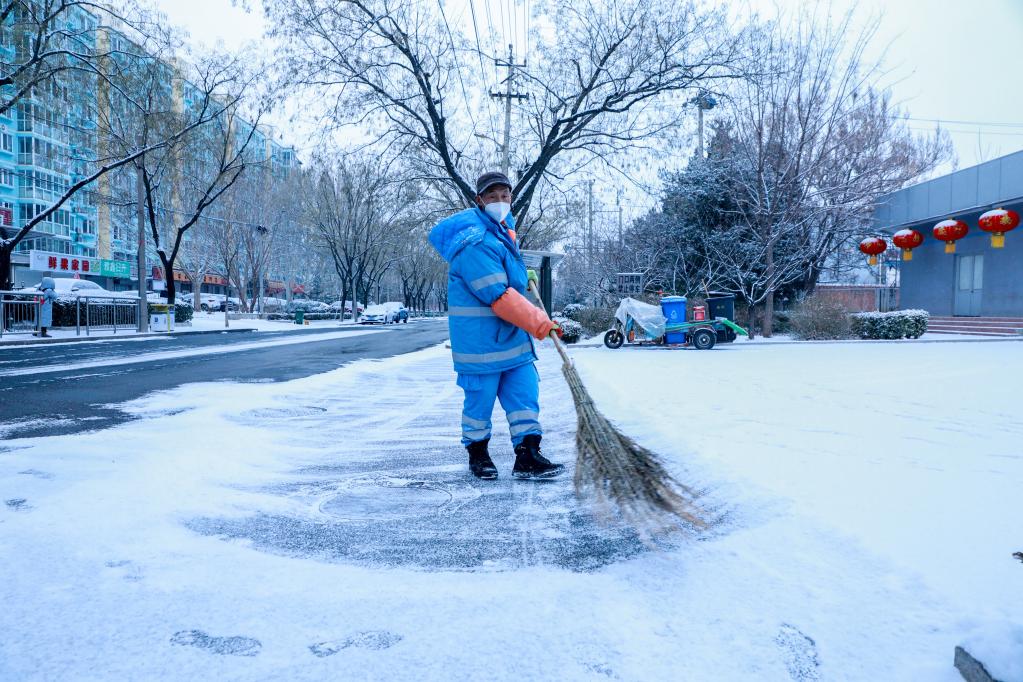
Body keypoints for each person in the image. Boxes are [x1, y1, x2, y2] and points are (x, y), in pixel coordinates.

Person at [429, 172, 565, 480]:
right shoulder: (473, 243)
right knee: (480, 404)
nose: (500, 202)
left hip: (511, 338)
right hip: (481, 346)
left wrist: (523, 275)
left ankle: (528, 455)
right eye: (492, 197)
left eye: (505, 196)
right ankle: (479, 455)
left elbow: (508, 279)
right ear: (479, 201)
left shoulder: (502, 233)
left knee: (524, 397)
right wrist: (540, 324)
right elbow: (499, 296)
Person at [33, 274, 57, 338]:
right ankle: (43, 332)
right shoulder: (49, 290)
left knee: (38, 318)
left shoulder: (39, 289)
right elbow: (55, 296)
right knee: (45, 320)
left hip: (39, 307)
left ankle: (35, 331)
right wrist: (53, 290)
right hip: (46, 308)